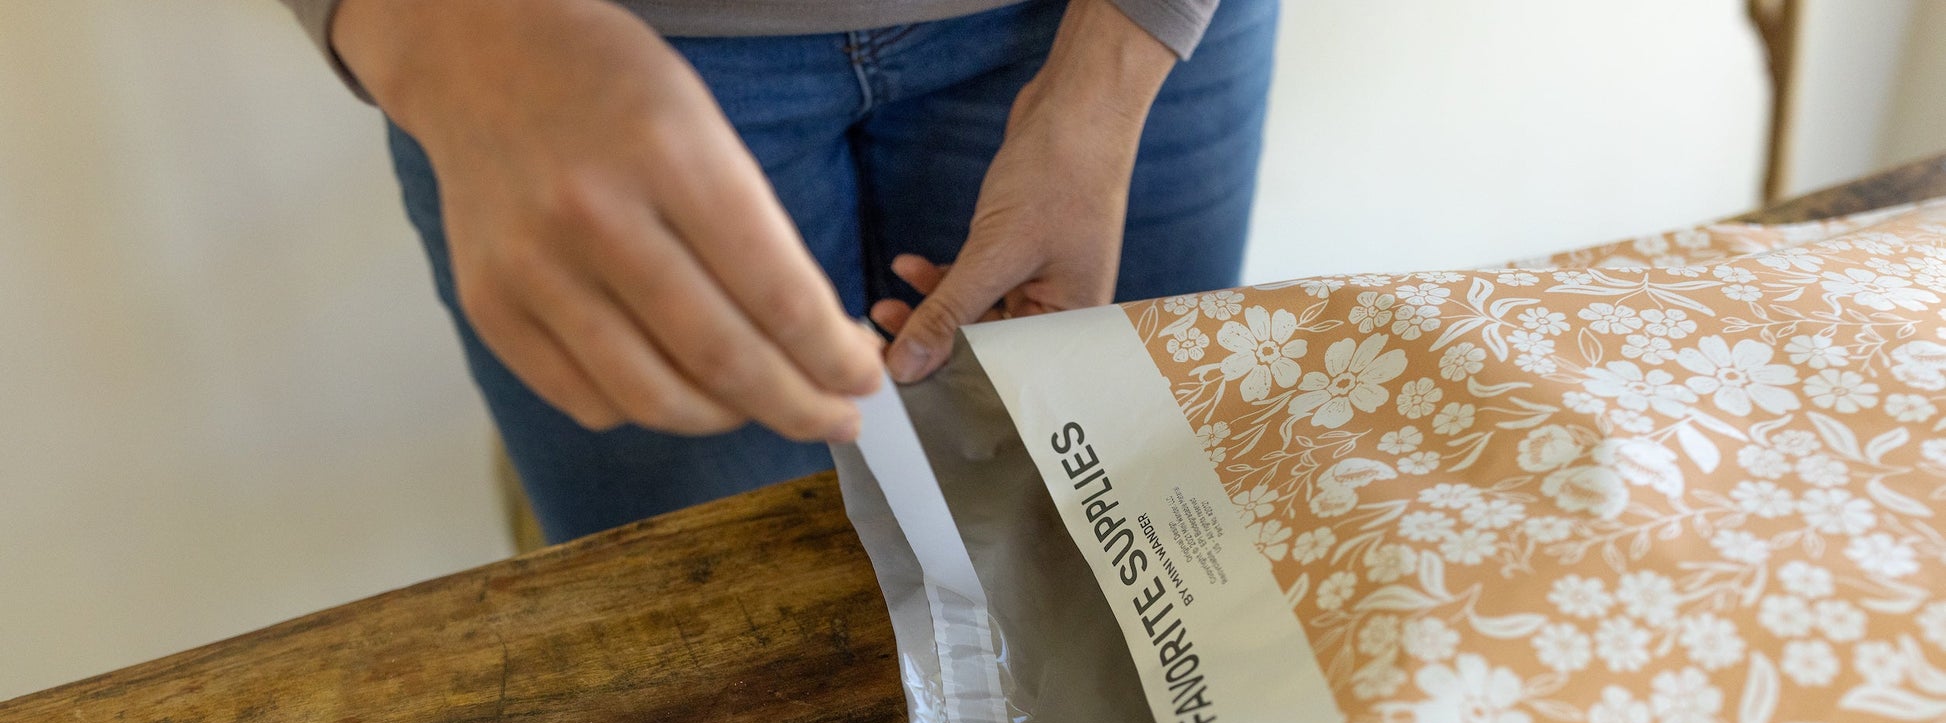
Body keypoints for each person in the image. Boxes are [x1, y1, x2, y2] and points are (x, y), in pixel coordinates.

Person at [281, 0, 1276, 542]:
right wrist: (435, 33)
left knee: (1121, 592)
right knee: (697, 660)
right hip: (557, 50)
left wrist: (1119, 63)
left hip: (1118, 26)